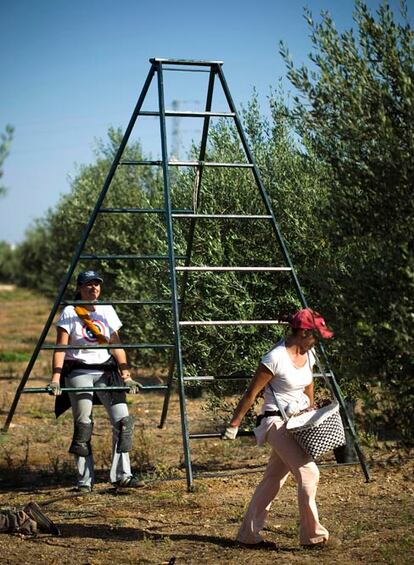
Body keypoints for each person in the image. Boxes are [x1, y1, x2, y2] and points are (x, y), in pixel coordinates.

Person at [222, 307, 334, 549]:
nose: (317, 340)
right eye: (315, 335)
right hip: (276, 421)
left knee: (274, 478)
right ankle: (313, 536)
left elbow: (308, 385)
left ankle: (247, 535)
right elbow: (251, 393)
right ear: (303, 332)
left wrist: (312, 410)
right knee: (308, 472)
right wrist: (234, 423)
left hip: (298, 422)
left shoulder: (309, 353)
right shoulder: (274, 358)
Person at [47, 270, 143, 492]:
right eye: (88, 284)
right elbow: (61, 347)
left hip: (106, 371)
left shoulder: (107, 310)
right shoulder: (70, 312)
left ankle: (122, 476)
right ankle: (84, 481)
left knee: (124, 422)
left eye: (97, 284)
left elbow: (116, 345)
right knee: (83, 425)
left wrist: (126, 375)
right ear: (79, 288)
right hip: (78, 370)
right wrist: (56, 378)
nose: (94, 288)